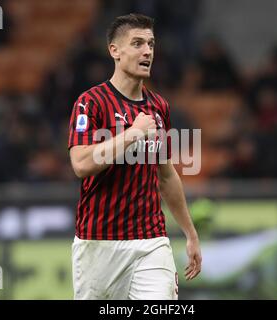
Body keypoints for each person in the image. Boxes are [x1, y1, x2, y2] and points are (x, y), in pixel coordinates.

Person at [68, 13, 202, 300]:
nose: (147, 52)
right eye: (138, 43)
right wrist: (132, 133)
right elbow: (81, 164)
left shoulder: (159, 107)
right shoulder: (90, 103)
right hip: (98, 243)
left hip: (150, 241)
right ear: (114, 51)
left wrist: (189, 233)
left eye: (151, 44)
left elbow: (166, 176)